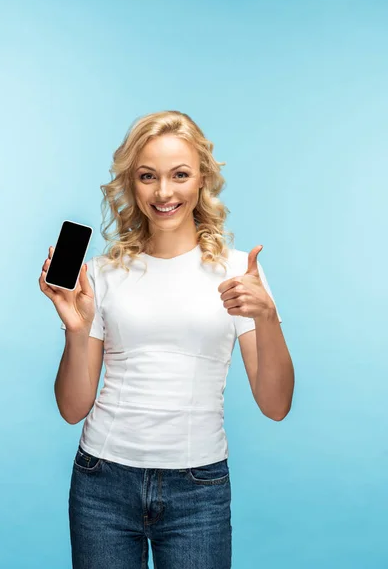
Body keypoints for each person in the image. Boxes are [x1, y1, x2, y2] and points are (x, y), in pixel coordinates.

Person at [39, 110, 295, 569]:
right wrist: (76, 332)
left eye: (179, 175)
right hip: (102, 483)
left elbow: (276, 405)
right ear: (131, 184)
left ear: (202, 181)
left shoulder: (240, 274)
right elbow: (72, 408)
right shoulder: (103, 273)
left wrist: (269, 317)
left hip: (199, 489)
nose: (163, 192)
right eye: (147, 176)